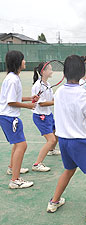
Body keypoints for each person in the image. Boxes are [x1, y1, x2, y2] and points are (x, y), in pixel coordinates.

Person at [47, 55, 86, 223]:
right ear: (83, 72)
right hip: (80, 141)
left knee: (69, 170)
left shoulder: (59, 91)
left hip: (64, 141)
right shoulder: (85, 96)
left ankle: (53, 202)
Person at [0, 50, 38, 188]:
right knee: (22, 145)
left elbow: (13, 98)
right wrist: (28, 106)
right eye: (23, 59)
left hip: (8, 117)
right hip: (9, 117)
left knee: (17, 144)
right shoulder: (12, 80)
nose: (25, 62)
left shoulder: (12, 78)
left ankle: (12, 168)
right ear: (18, 62)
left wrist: (29, 98)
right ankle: (15, 180)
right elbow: (11, 102)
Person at [31, 62, 61, 172]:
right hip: (40, 116)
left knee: (57, 132)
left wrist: (57, 98)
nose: (52, 71)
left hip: (48, 114)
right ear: (43, 71)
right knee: (51, 139)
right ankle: (37, 164)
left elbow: (51, 99)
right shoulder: (37, 86)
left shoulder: (47, 84)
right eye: (50, 69)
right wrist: (56, 102)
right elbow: (41, 103)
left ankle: (51, 150)